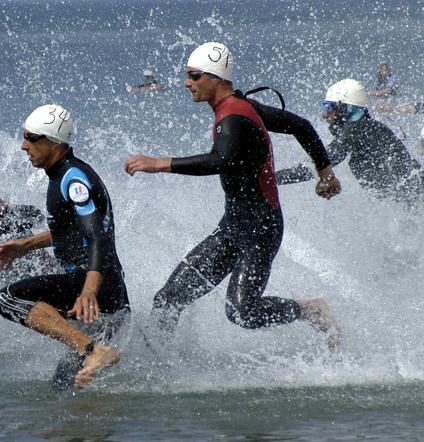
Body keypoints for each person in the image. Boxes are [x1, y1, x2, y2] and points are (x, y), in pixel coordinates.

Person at [124, 42, 342, 349]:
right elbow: (301, 125)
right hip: (233, 226)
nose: (188, 83)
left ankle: (310, 310)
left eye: (194, 76)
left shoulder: (235, 116)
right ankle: (159, 365)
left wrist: (160, 163)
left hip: (260, 230)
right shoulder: (241, 107)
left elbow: (221, 160)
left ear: (216, 78)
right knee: (169, 298)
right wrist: (325, 174)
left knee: (242, 311)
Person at [0, 104, 131, 389]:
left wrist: (89, 291)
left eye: (31, 137)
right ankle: (93, 359)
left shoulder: (72, 179)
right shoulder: (62, 174)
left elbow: (96, 236)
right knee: (66, 387)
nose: (23, 145)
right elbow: (72, 230)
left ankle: (93, 351)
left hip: (95, 290)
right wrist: (26, 245)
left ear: (54, 143)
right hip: (106, 297)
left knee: (7, 299)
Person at [277, 79, 424, 205]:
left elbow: (320, 163)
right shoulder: (368, 127)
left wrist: (270, 178)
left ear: (345, 108)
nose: (324, 115)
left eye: (329, 107)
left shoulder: (357, 129)